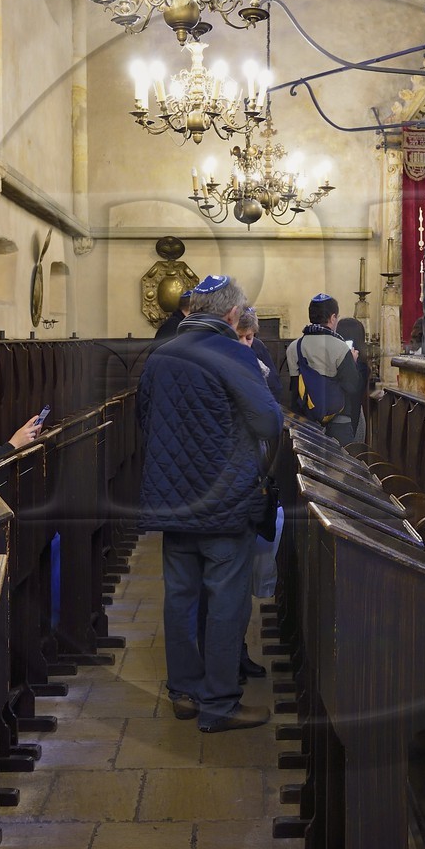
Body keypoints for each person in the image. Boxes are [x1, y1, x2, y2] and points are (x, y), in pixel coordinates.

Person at [137, 274, 282, 733]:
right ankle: (219, 703)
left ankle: (183, 690)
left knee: (179, 597)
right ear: (232, 314)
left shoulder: (160, 356)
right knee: (225, 600)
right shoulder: (234, 353)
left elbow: (143, 416)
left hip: (173, 502)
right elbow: (268, 422)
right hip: (223, 502)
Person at [285, 294, 365, 445]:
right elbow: (352, 386)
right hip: (338, 423)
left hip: (306, 423)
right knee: (342, 466)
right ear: (333, 317)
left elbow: (295, 388)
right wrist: (353, 362)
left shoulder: (294, 347)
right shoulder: (340, 347)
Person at [235, 308, 281, 401]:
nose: (244, 343)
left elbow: (274, 385)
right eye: (238, 337)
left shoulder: (258, 346)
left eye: (249, 337)